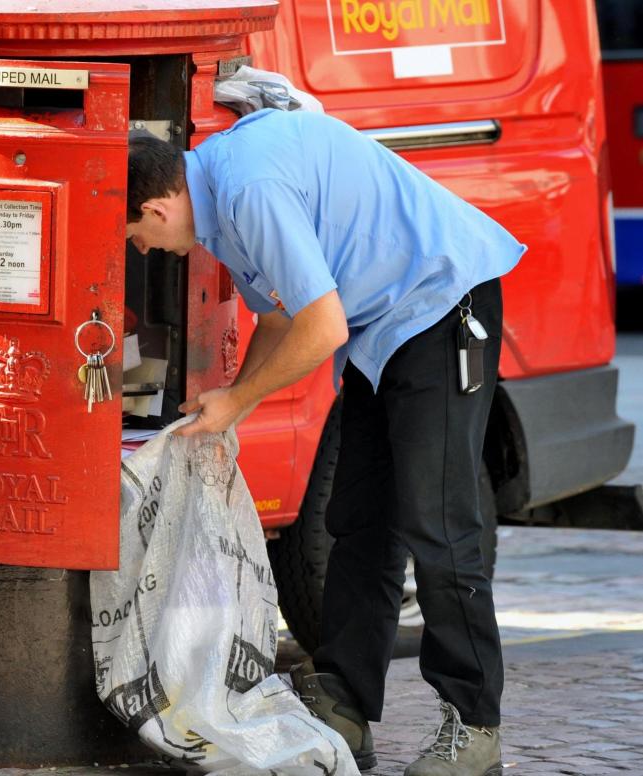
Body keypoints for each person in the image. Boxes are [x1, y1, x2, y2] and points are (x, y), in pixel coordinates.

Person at [126, 109, 523, 776]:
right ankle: (342, 704)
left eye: (134, 233)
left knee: (439, 522)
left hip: (443, 302)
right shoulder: (218, 199)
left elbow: (321, 326)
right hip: (385, 329)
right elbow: (281, 318)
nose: (142, 249)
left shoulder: (246, 190)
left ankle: (474, 727)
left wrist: (239, 400)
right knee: (356, 520)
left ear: (160, 206)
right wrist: (227, 408)